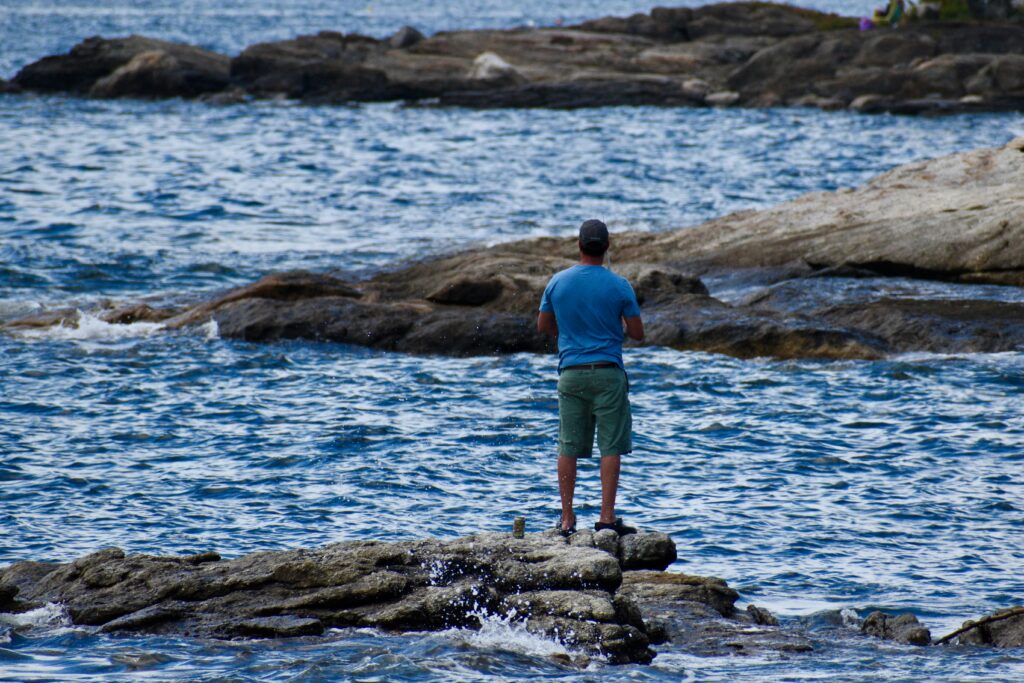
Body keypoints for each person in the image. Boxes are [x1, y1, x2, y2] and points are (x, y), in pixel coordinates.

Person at [537, 219, 644, 537]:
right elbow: (637, 333)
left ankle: (567, 520)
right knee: (610, 446)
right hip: (608, 374)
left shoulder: (558, 282)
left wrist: (567, 333)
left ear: (579, 246)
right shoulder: (620, 285)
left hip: (571, 374)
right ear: (607, 247)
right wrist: (616, 329)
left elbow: (543, 326)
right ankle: (606, 519)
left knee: (567, 446)